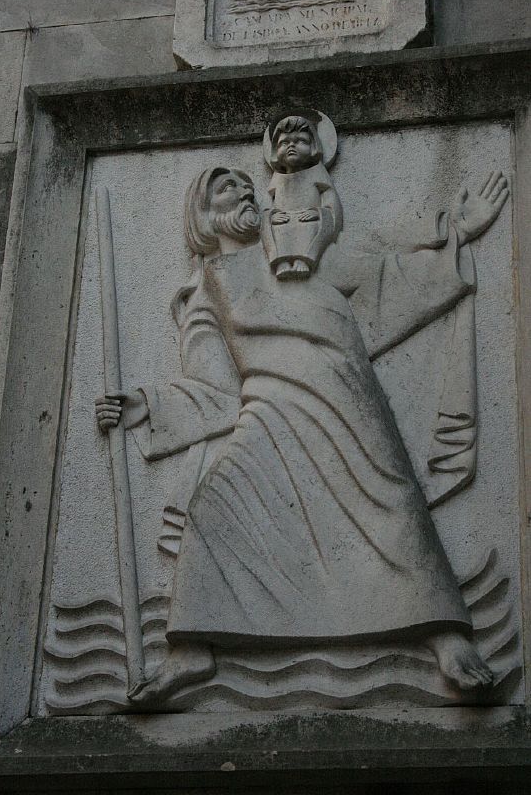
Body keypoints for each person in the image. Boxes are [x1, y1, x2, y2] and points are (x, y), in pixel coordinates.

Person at [96, 165, 509, 705]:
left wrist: (457, 235)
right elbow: (215, 388)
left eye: (247, 185)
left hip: (345, 400)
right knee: (215, 508)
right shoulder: (207, 291)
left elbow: (387, 280)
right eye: (227, 188)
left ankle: (447, 637)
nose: (245, 191)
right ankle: (192, 649)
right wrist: (146, 405)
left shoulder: (301, 251)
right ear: (203, 216)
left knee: (391, 511)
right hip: (268, 411)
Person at [261, 114, 343, 281]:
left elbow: (332, 205)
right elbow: (265, 207)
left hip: (310, 220)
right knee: (276, 229)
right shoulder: (277, 178)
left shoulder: (318, 173)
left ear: (313, 146)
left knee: (310, 227)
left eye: (300, 141)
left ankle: (305, 259)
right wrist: (272, 216)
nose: (291, 146)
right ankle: (281, 262)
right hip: (282, 220)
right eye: (284, 142)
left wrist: (318, 213)